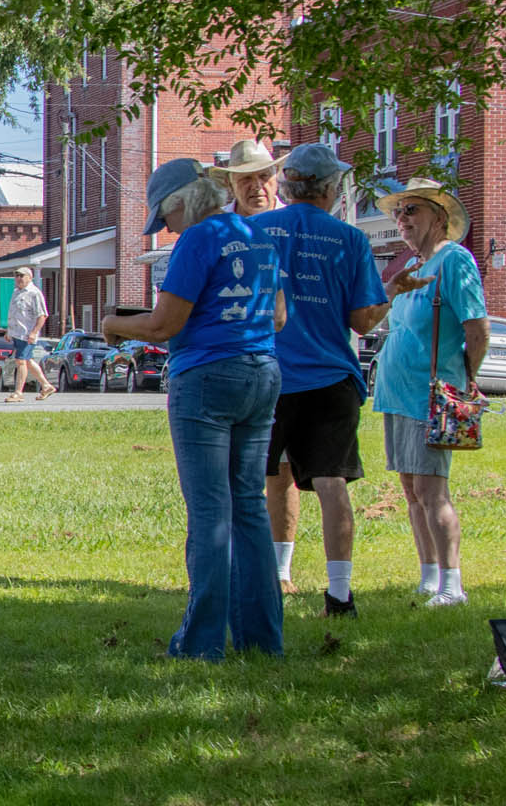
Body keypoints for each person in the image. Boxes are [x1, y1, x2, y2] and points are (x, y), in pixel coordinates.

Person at [103, 158, 283, 659]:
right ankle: (264, 641)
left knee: (210, 510)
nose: (167, 228)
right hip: (263, 372)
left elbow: (164, 325)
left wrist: (116, 325)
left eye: (166, 218)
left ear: (183, 201)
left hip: (205, 379)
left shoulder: (196, 241)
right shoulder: (259, 238)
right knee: (249, 506)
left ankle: (201, 645)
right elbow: (281, 316)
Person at [250, 145, 390, 618]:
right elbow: (363, 320)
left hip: (266, 372)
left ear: (287, 186)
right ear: (330, 188)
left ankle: (265, 579)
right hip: (331, 377)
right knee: (332, 484)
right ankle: (339, 593)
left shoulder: (257, 229)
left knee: (260, 479)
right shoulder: (349, 239)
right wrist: (391, 293)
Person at [371, 178, 487, 608]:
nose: (402, 220)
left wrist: (463, 380)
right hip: (396, 393)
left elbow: (477, 329)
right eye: (399, 212)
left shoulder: (455, 261)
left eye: (412, 210)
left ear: (439, 216)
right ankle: (429, 576)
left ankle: (453, 585)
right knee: (410, 489)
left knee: (431, 488)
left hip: (430, 395)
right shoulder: (414, 267)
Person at [214, 138, 302, 592]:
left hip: (296, 369)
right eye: (245, 178)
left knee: (282, 473)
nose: (257, 186)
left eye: (264, 176)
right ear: (230, 182)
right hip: (233, 368)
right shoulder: (220, 230)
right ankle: (234, 563)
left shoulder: (293, 227)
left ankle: (280, 569)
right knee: (232, 471)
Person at [3, 266, 57, 402]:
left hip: (27, 335)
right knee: (26, 361)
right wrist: (9, 331)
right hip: (17, 333)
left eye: (22, 276)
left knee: (20, 361)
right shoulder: (16, 293)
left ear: (29, 277)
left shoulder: (34, 293)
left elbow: (42, 315)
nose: (19, 278)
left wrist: (34, 333)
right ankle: (46, 386)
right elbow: (14, 314)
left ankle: (18, 392)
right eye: (17, 276)